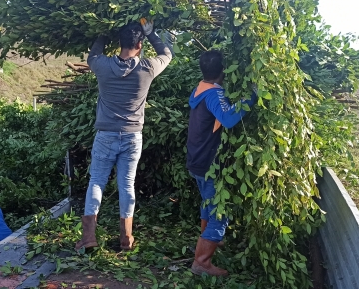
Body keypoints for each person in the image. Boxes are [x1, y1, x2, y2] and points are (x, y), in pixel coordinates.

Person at [75, 20, 173, 252]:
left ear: (119, 43)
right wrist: (152, 33)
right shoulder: (147, 68)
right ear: (139, 44)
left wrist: (103, 34)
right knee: (127, 185)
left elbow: (92, 55)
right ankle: (126, 239)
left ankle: (88, 238)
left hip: (106, 135)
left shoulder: (103, 65)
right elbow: (167, 54)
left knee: (96, 182)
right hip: (132, 137)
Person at [186, 50, 257, 276]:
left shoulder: (200, 89)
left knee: (209, 202)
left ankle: (209, 240)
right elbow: (227, 119)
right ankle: (202, 262)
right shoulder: (214, 95)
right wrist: (251, 98)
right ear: (224, 71)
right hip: (208, 162)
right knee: (219, 211)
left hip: (196, 159)